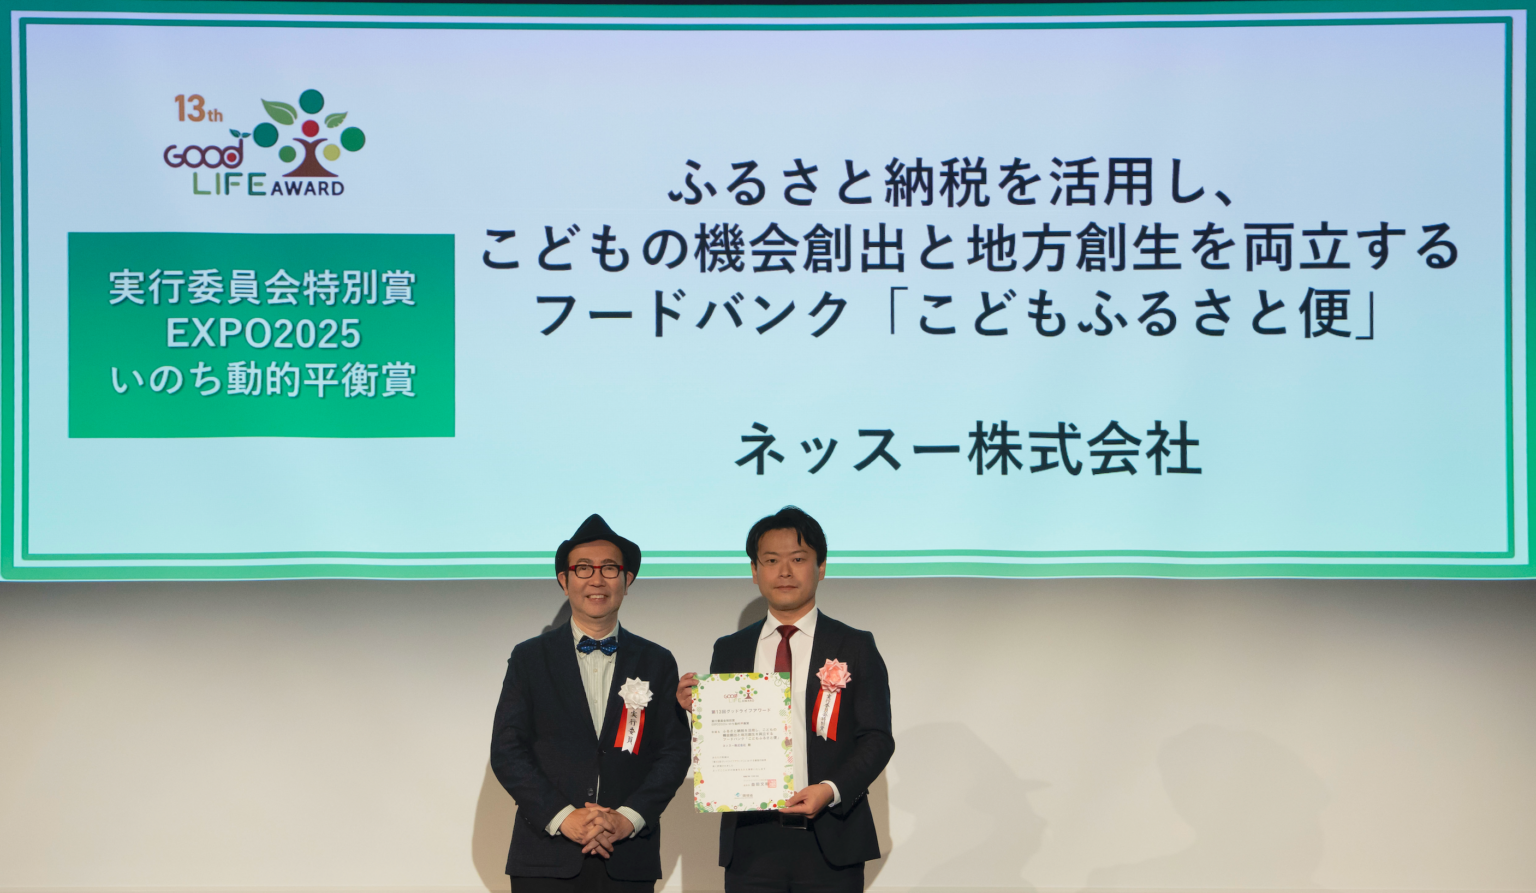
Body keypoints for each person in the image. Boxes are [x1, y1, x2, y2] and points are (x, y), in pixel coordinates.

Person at [676, 506, 894, 893]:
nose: (785, 572)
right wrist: (698, 710)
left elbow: (877, 738)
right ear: (754, 571)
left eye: (798, 559)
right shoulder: (730, 649)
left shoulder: (855, 645)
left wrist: (830, 789)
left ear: (821, 567)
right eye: (771, 560)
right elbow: (724, 738)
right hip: (751, 839)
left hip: (832, 837)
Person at [492, 514, 689, 893]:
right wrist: (564, 817)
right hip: (546, 856)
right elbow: (507, 749)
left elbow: (674, 752)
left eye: (609, 568)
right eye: (583, 568)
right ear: (564, 581)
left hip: (627, 855)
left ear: (627, 581)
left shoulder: (657, 660)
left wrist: (628, 818)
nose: (597, 579)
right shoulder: (530, 658)